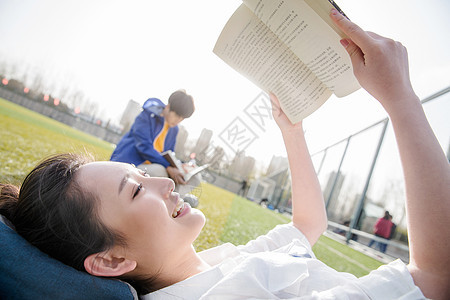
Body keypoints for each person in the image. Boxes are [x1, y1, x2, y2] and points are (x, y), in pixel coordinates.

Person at [0, 9, 449, 299]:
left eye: (142, 175)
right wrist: (400, 99)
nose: (163, 183)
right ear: (113, 261)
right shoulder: (230, 293)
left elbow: (306, 227)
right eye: (136, 192)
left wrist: (291, 131)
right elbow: (437, 277)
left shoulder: (210, 266)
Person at [110, 89, 195, 189]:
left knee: (192, 178)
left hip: (152, 167)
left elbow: (169, 154)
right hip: (130, 163)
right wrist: (167, 167)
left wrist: (180, 166)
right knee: (161, 172)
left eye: (182, 118)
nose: (178, 121)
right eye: (177, 115)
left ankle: (175, 201)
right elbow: (143, 147)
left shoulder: (174, 130)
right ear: (168, 107)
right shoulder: (148, 115)